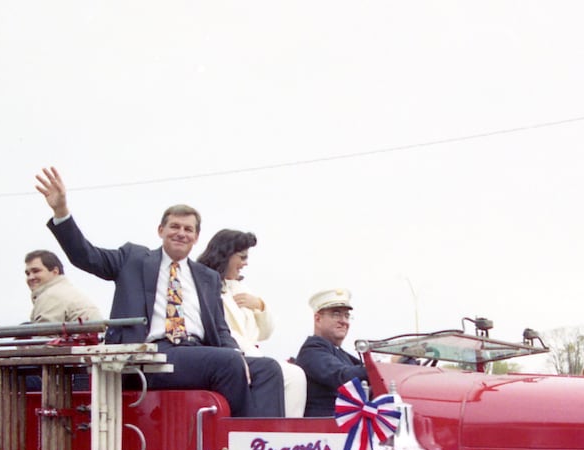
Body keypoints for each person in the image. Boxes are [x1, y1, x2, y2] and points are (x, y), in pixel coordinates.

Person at [34, 167, 283, 418]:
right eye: (174, 226)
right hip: (150, 355)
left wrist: (238, 356)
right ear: (160, 230)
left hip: (198, 352)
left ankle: (265, 446)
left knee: (268, 369)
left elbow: (220, 330)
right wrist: (61, 212)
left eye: (188, 229)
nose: (181, 233)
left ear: (196, 237)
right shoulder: (133, 259)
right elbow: (85, 256)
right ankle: (241, 441)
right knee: (227, 363)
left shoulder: (207, 277)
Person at [196, 229, 307, 417]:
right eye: (241, 257)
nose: (245, 263)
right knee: (289, 375)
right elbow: (222, 330)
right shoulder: (205, 284)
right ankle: (272, 434)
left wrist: (260, 306)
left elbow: (265, 332)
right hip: (229, 354)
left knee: (295, 374)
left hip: (251, 353)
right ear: (226, 255)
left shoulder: (241, 287)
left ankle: (287, 434)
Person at [296, 288, 368, 418]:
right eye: (336, 314)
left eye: (346, 315)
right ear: (318, 319)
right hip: (323, 431)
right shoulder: (312, 350)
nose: (344, 321)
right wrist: (377, 369)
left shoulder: (342, 355)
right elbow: (342, 377)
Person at [24, 249, 103, 324]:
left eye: (36, 271)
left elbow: (45, 335)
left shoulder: (51, 295)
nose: (30, 277)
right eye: (27, 273)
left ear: (55, 272)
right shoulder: (65, 290)